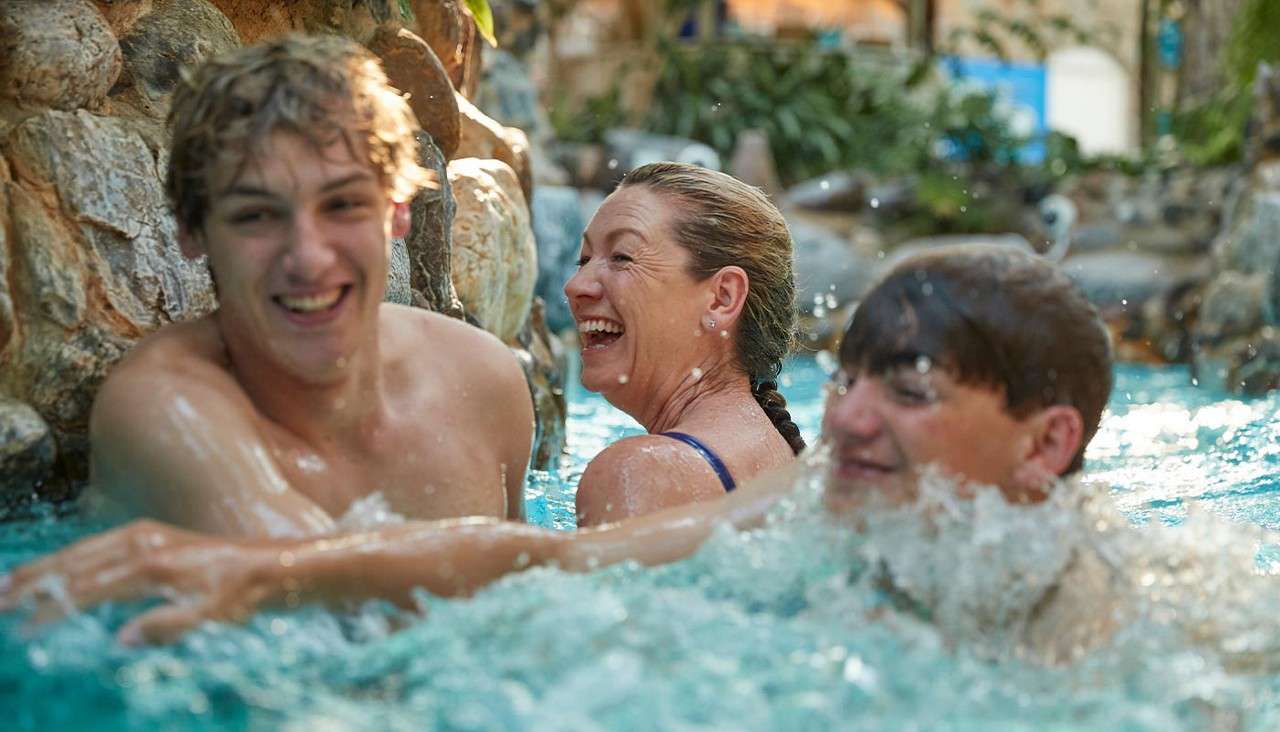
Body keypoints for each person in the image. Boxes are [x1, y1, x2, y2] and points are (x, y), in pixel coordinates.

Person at [0, 244, 1117, 645]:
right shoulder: (807, 504)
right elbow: (546, 563)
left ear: (1044, 444)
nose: (850, 420)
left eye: (907, 389)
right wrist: (266, 572)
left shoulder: (1135, 610)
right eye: (850, 377)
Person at [86, 34, 534, 537]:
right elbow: (306, 574)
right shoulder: (163, 408)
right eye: (256, 215)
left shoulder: (481, 384)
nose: (308, 258)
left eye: (342, 205)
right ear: (192, 230)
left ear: (397, 209)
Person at [566, 162, 806, 526]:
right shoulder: (783, 463)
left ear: (722, 298)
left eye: (622, 258)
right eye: (582, 260)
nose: (576, 286)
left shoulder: (643, 473)